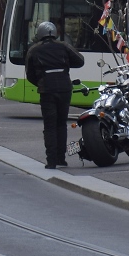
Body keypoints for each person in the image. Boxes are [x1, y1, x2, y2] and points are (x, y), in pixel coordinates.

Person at [24, 21, 85, 169]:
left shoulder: (34, 50)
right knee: (61, 124)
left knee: (49, 126)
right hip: (65, 89)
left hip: (47, 91)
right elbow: (80, 60)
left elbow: (30, 74)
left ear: (40, 34)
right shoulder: (63, 46)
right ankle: (61, 159)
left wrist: (41, 82)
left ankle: (51, 161)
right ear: (54, 33)